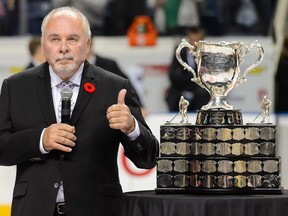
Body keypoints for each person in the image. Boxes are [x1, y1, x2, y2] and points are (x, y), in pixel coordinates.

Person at [0, 6, 159, 216]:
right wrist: (40, 140)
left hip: (98, 209)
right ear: (43, 45)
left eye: (72, 39)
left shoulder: (115, 87)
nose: (63, 48)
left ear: (87, 45)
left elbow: (148, 159)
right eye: (55, 39)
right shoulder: (16, 87)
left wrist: (132, 128)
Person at [165, 26, 210, 112]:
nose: (194, 42)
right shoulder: (180, 52)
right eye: (192, 39)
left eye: (197, 40)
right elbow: (173, 74)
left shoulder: (207, 54)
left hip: (199, 89)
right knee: (174, 95)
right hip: (181, 88)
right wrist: (190, 79)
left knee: (203, 93)